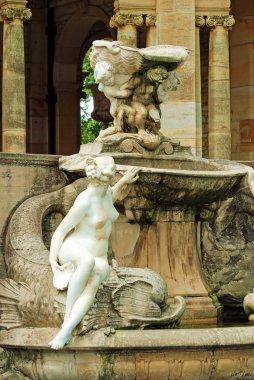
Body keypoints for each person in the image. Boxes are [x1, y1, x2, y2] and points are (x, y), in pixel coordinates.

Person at [48, 156, 139, 349]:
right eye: (112, 171)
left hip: (99, 256)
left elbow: (110, 198)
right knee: (87, 261)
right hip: (73, 249)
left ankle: (66, 330)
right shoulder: (85, 201)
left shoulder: (105, 192)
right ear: (101, 175)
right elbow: (61, 231)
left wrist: (123, 182)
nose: (114, 174)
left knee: (96, 277)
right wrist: (52, 260)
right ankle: (67, 320)